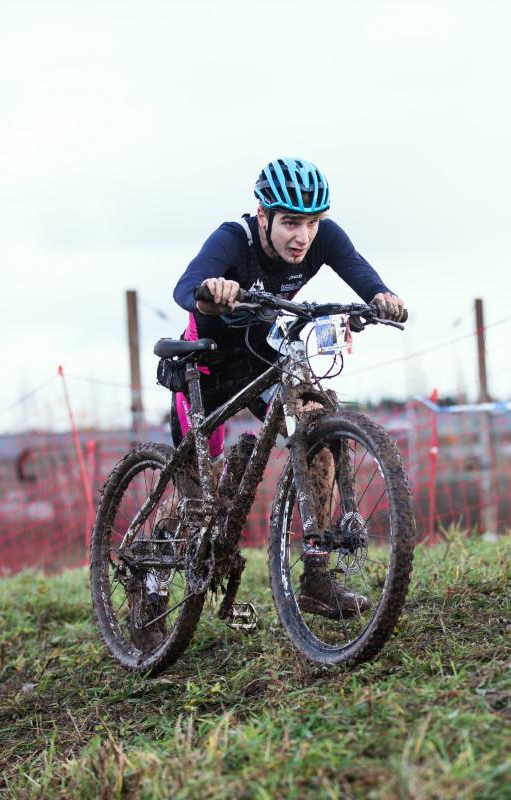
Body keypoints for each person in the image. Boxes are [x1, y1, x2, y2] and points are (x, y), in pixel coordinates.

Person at [165, 156, 406, 622]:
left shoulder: (323, 238)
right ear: (264, 215)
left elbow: (360, 272)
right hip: (207, 364)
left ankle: (316, 577)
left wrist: (382, 298)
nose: (303, 236)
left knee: (317, 435)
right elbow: (186, 286)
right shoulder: (232, 239)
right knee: (195, 490)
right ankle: (152, 588)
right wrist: (210, 292)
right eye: (291, 222)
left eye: (312, 223)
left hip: (263, 355)